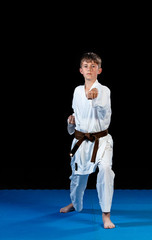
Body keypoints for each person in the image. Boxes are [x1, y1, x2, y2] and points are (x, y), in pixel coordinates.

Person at [60, 52, 115, 229]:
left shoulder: (104, 90)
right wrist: (72, 119)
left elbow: (104, 110)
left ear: (99, 70)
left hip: (102, 140)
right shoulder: (77, 91)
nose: (89, 69)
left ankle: (106, 215)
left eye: (93, 66)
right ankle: (75, 203)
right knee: (78, 177)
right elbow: (78, 112)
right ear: (81, 70)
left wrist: (95, 99)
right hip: (82, 141)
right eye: (86, 66)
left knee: (106, 171)